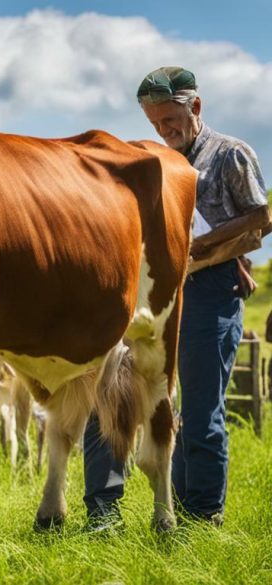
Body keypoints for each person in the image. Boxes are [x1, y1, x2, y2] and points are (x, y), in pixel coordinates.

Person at [82, 66, 269, 529]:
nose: (165, 132)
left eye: (171, 121)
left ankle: (200, 516)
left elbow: (261, 216)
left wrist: (207, 246)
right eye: (156, 125)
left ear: (196, 107)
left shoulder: (230, 155)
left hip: (209, 292)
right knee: (120, 397)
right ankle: (108, 512)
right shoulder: (152, 164)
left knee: (201, 411)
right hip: (154, 295)